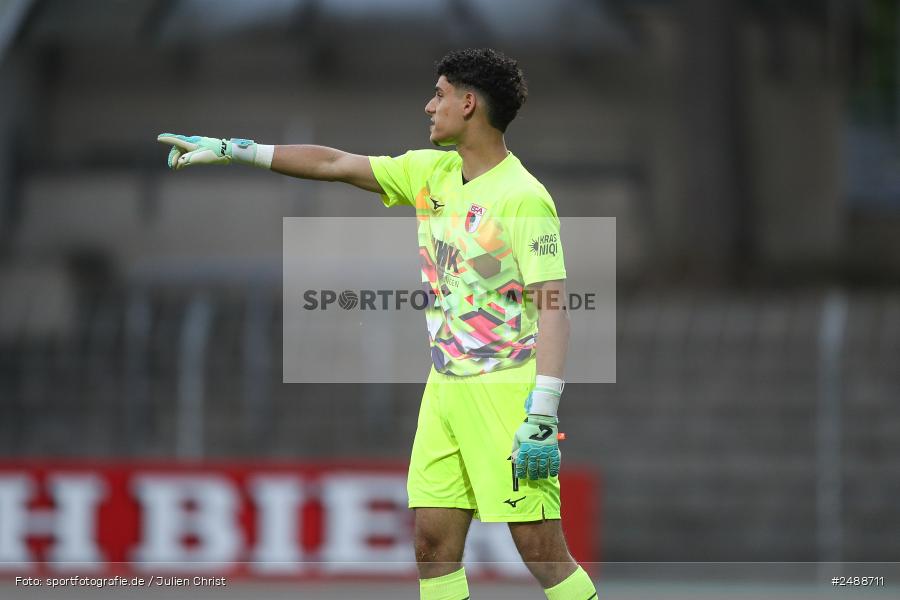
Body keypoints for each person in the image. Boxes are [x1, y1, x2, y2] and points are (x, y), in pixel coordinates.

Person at [157, 47, 597, 600]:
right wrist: (234, 150)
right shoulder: (429, 172)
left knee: (540, 552)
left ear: (468, 103)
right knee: (432, 546)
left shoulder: (524, 198)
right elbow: (334, 164)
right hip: (445, 390)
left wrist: (542, 411)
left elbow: (554, 305)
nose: (428, 105)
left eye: (438, 94)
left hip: (505, 392)